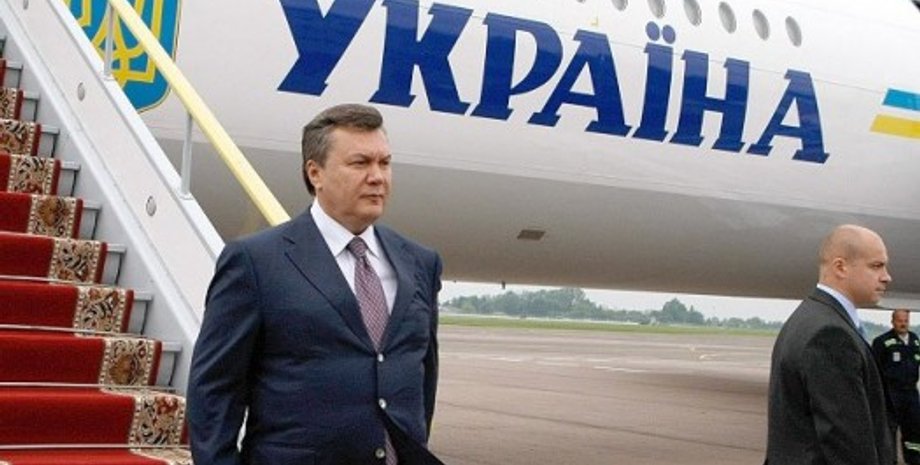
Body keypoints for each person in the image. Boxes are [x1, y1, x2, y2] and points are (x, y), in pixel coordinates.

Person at [187, 104, 444, 465]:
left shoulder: (420, 263)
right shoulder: (256, 261)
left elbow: (422, 380)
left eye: (384, 163)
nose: (377, 177)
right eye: (360, 163)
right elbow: (214, 389)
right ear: (315, 173)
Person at [765, 224, 895, 465]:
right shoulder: (830, 335)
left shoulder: (807, 318)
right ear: (840, 267)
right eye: (876, 266)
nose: (887, 276)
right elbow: (847, 444)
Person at [873, 309, 920, 465]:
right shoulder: (882, 342)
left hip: (911, 393)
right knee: (889, 430)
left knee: (914, 428)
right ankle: (889, 460)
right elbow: (875, 369)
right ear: (893, 321)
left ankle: (913, 459)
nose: (903, 324)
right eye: (900, 321)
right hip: (891, 394)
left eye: (906, 320)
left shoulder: (914, 340)